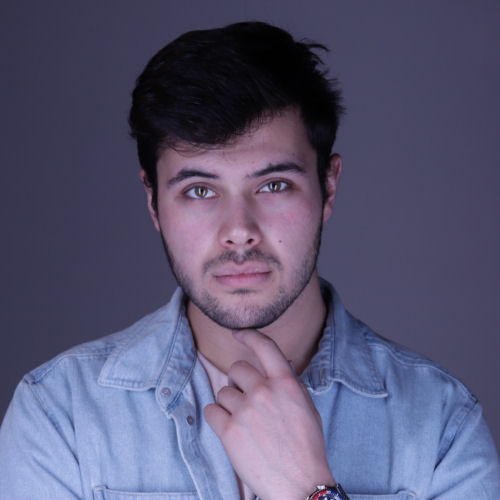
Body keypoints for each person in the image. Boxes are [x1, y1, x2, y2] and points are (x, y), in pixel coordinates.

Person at [0, 21, 499, 500]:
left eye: (274, 185)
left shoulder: (442, 425)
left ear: (328, 187)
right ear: (153, 203)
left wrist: (309, 491)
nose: (238, 229)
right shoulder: (61, 416)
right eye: (199, 191)